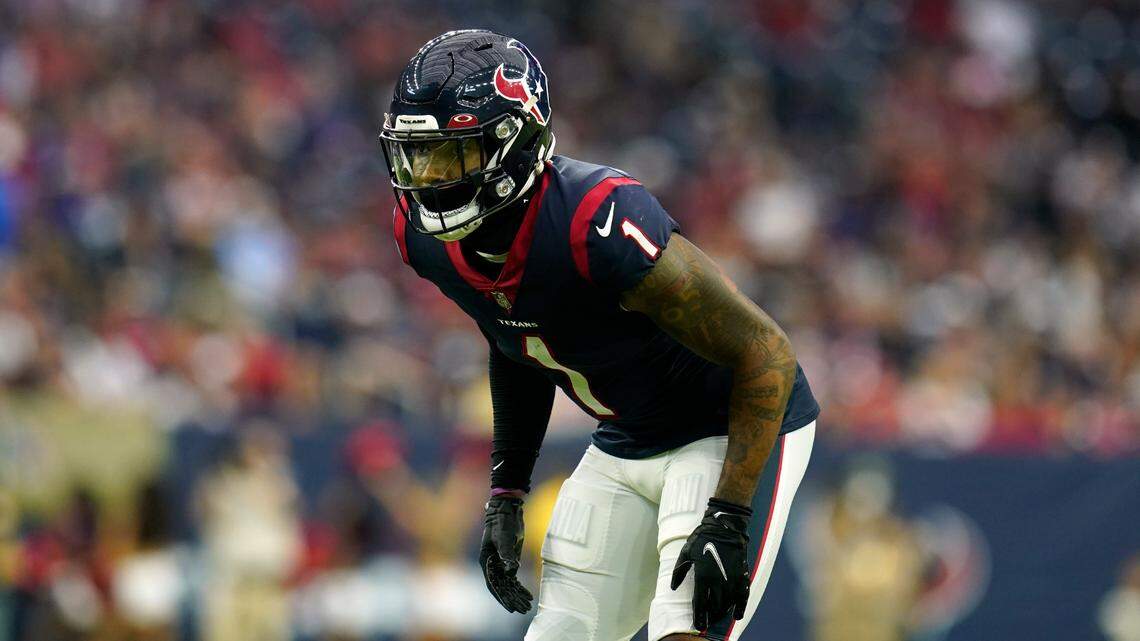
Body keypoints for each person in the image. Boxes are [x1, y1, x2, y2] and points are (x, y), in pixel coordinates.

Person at [381, 29, 820, 641]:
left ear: (514, 141)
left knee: (685, 630)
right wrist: (506, 492)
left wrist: (729, 512)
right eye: (417, 156)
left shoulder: (596, 219)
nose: (428, 179)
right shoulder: (426, 241)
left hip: (725, 425)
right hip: (626, 438)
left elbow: (765, 351)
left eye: (451, 156)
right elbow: (516, 342)